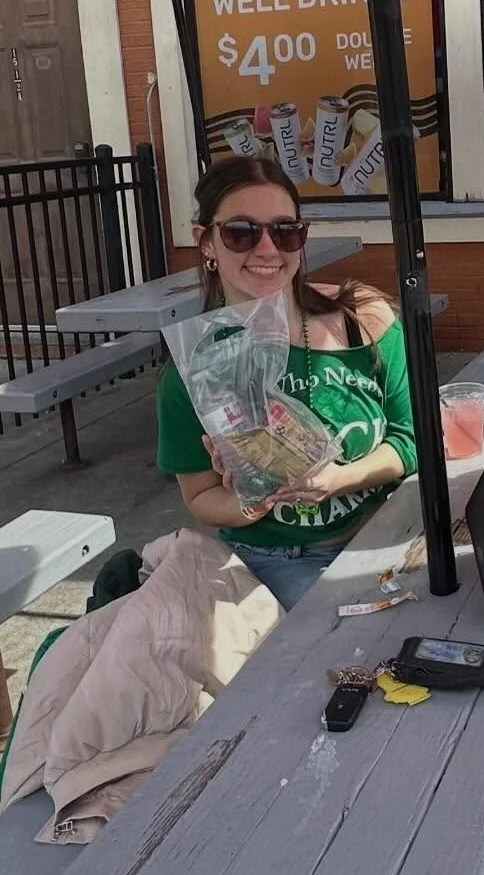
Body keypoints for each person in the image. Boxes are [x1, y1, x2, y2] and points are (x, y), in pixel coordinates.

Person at [155, 156, 416, 611]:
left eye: (285, 231)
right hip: (282, 560)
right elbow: (200, 496)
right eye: (241, 232)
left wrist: (339, 479)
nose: (267, 249)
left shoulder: (364, 319)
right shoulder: (196, 373)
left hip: (389, 531)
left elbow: (411, 439)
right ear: (206, 242)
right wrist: (252, 498)